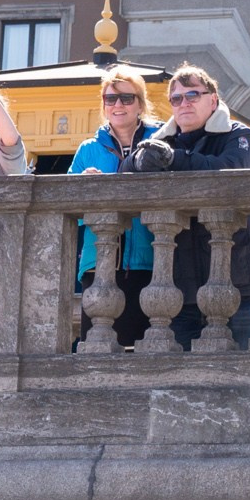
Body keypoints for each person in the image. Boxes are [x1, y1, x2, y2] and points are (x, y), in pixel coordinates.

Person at [130, 63, 250, 349]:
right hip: (180, 286)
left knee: (245, 373)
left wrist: (174, 160)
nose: (184, 103)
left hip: (238, 280)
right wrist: (138, 162)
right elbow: (123, 173)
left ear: (213, 100)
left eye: (192, 95)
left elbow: (227, 172)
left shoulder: (238, 135)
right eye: (176, 99)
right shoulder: (160, 141)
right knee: (178, 380)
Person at [70, 66, 162, 347]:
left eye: (126, 98)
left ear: (140, 103)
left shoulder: (161, 141)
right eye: (110, 99)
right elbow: (69, 211)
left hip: (150, 262)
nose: (118, 105)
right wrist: (83, 187)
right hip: (97, 266)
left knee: (145, 350)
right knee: (97, 351)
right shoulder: (88, 150)